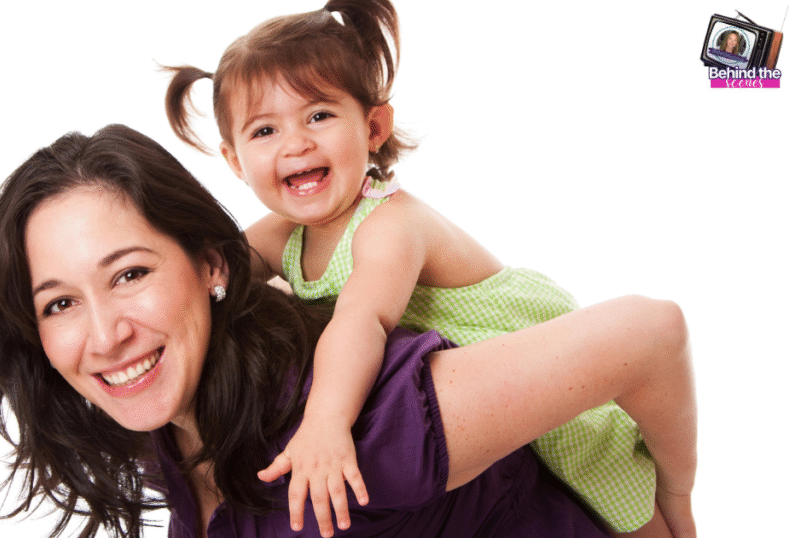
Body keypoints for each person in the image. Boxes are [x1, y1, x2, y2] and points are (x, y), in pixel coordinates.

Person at [0, 124, 697, 538]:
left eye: (130, 274)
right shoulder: (172, 421)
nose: (105, 335)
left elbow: (648, 333)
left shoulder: (368, 427)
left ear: (211, 266)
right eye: (59, 304)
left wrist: (676, 506)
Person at [164, 1, 679, 535]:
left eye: (319, 116)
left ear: (374, 126)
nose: (296, 143)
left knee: (610, 491)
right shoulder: (281, 232)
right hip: (468, 402)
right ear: (233, 161)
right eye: (264, 131)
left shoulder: (389, 222)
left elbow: (362, 321)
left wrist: (325, 421)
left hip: (525, 358)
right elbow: (211, 270)